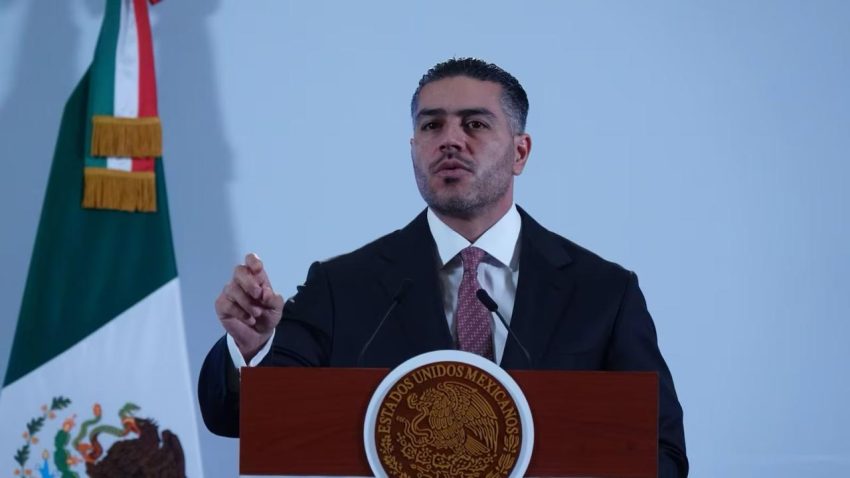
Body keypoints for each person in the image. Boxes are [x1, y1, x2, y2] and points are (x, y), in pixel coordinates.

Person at [198, 58, 688, 476]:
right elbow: (237, 418)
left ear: (520, 152)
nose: (450, 140)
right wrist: (253, 348)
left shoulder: (603, 292)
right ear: (414, 148)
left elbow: (662, 456)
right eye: (431, 126)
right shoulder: (343, 286)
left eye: (475, 124)